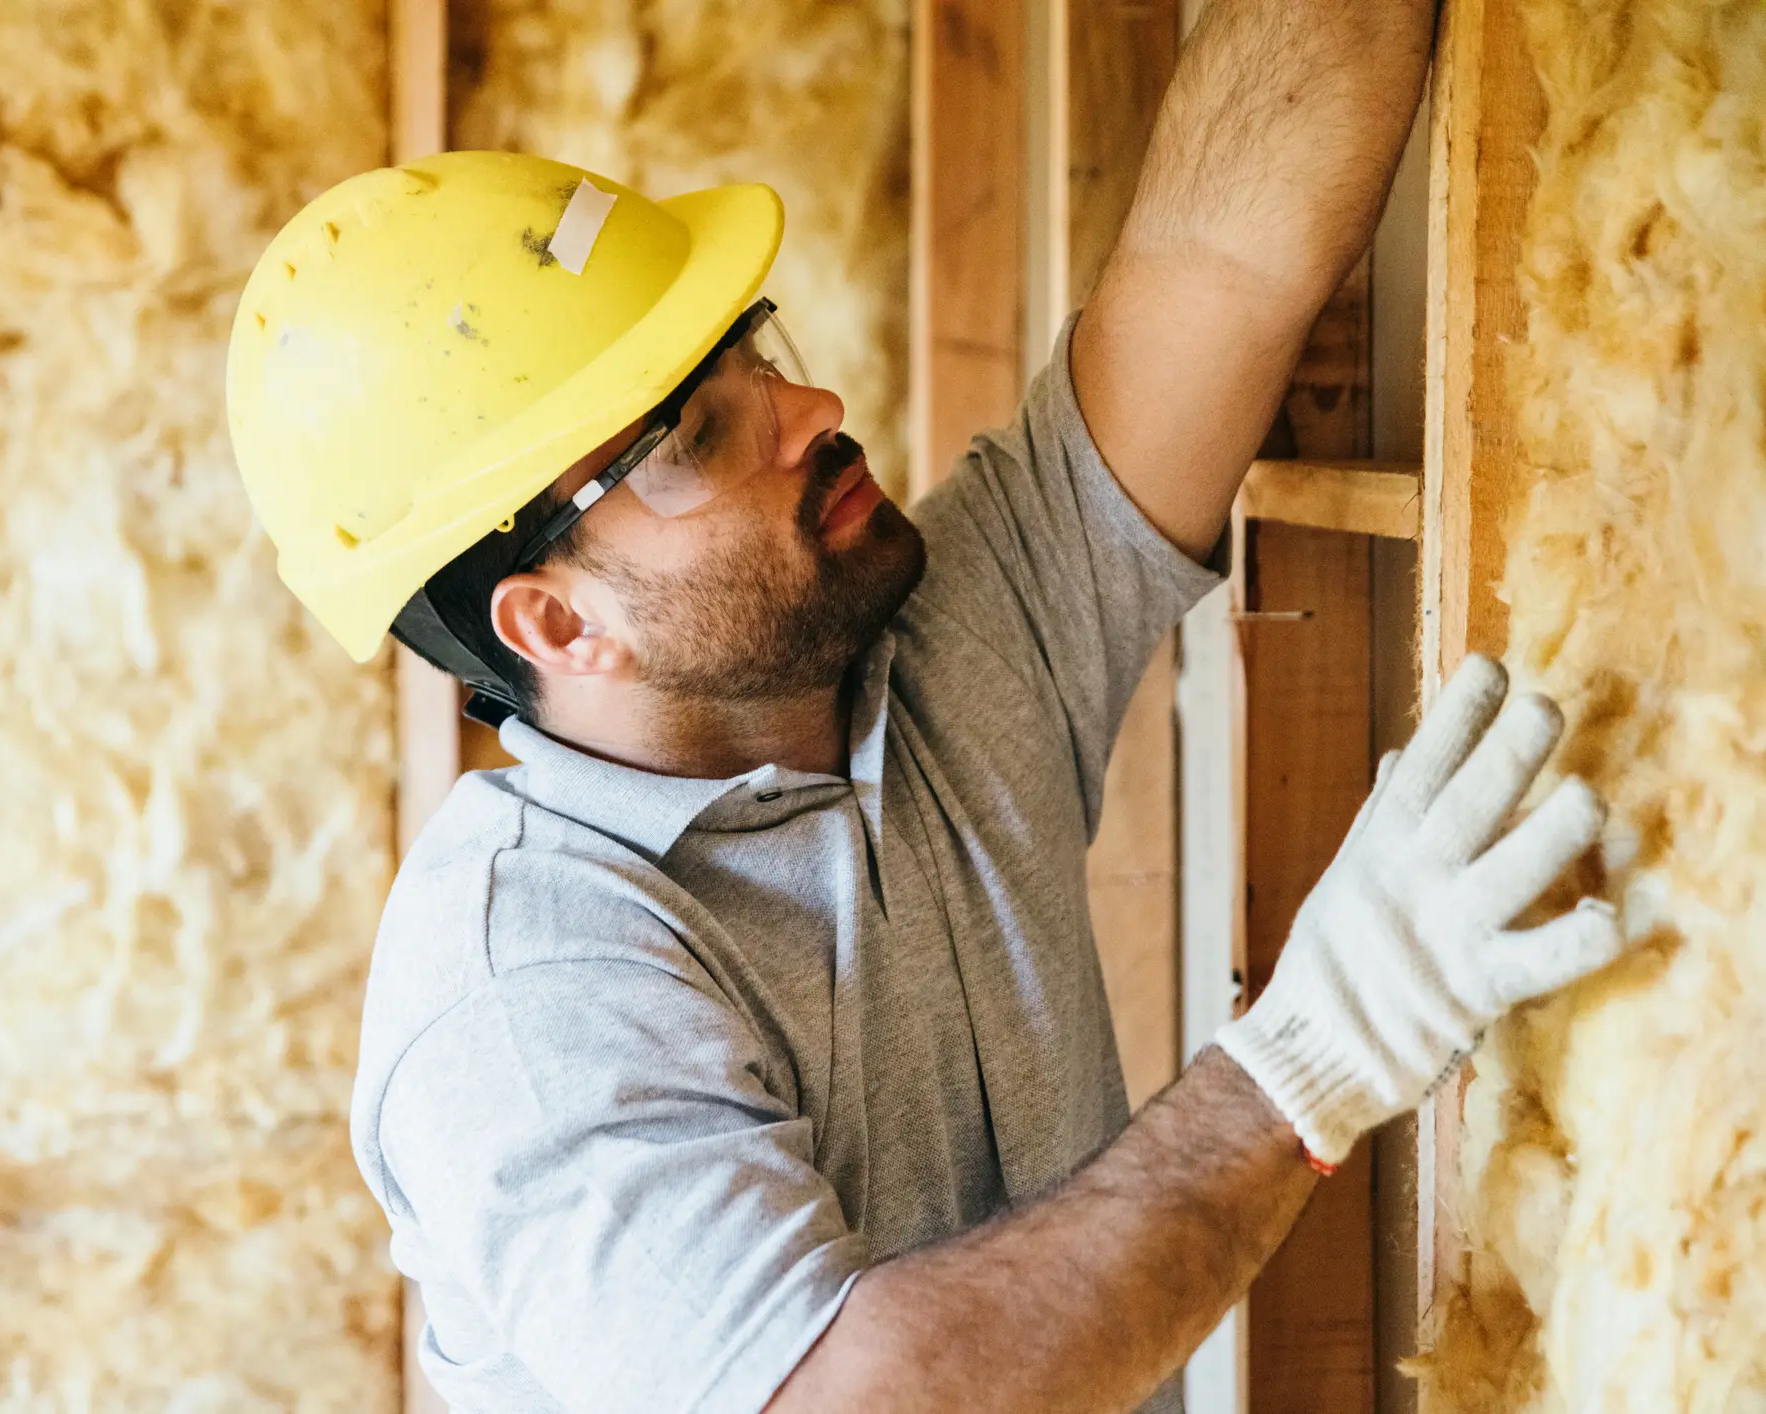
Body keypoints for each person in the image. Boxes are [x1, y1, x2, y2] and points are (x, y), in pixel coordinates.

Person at [223, 1, 1630, 1409]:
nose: (812, 405)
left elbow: (1220, 261)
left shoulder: (930, 656)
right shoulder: (525, 989)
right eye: (700, 434)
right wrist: (1315, 1056)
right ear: (556, 620)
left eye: (752, 354)